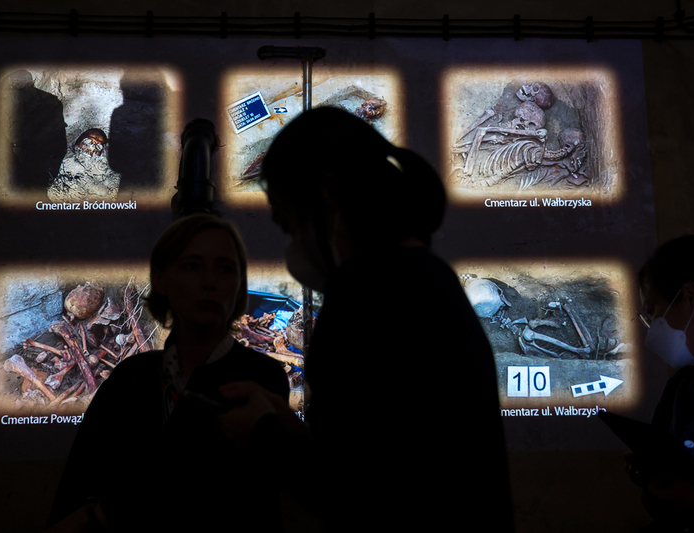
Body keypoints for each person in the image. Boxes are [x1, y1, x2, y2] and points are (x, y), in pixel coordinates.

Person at [220, 107, 514, 531]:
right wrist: (289, 428)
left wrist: (265, 435)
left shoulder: (364, 294)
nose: (293, 246)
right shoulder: (429, 277)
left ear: (327, 195)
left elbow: (355, 494)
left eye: (290, 225)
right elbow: (396, 453)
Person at [46, 214, 289, 532]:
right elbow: (79, 481)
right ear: (161, 279)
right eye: (192, 266)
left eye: (225, 268)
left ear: (239, 285)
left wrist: (105, 513)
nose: (210, 281)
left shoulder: (262, 378)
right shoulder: (129, 378)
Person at [632, 234, 694, 531]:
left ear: (690, 297)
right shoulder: (680, 389)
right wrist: (650, 475)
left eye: (652, 312)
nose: (651, 331)